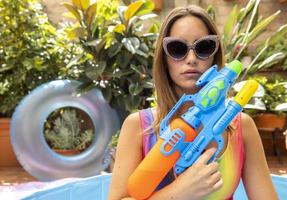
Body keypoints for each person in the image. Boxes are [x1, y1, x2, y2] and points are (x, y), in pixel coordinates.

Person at [108, 5, 278, 200]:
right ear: (164, 60)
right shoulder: (138, 127)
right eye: (177, 49)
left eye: (203, 47)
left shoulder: (242, 127)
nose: (191, 59)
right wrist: (178, 193)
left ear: (215, 55)